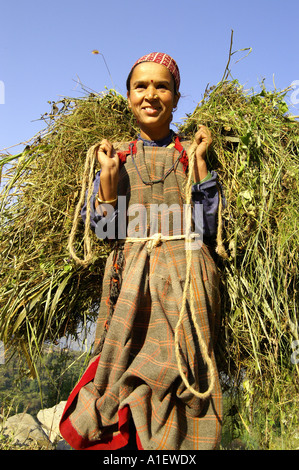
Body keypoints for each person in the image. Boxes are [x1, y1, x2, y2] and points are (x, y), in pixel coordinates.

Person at [60, 52, 223, 450]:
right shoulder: (114, 156)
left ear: (177, 96)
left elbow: (207, 230)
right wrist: (108, 180)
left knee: (180, 379)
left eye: (162, 86)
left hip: (186, 286)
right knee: (115, 378)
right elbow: (107, 234)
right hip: (129, 284)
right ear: (129, 96)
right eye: (141, 86)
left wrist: (201, 166)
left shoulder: (191, 152)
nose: (151, 94)